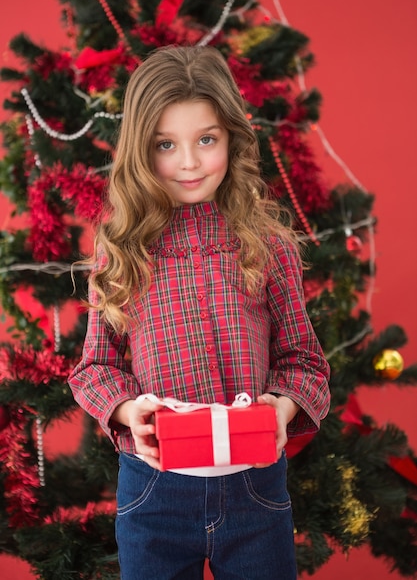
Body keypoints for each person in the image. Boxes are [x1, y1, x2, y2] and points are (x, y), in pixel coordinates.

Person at [69, 45, 330, 580]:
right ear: (142, 150)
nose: (189, 162)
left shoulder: (266, 244)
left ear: (232, 138)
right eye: (166, 144)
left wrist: (281, 409)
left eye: (206, 140)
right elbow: (93, 368)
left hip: (255, 489)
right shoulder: (120, 247)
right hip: (155, 491)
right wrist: (124, 411)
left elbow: (305, 362)